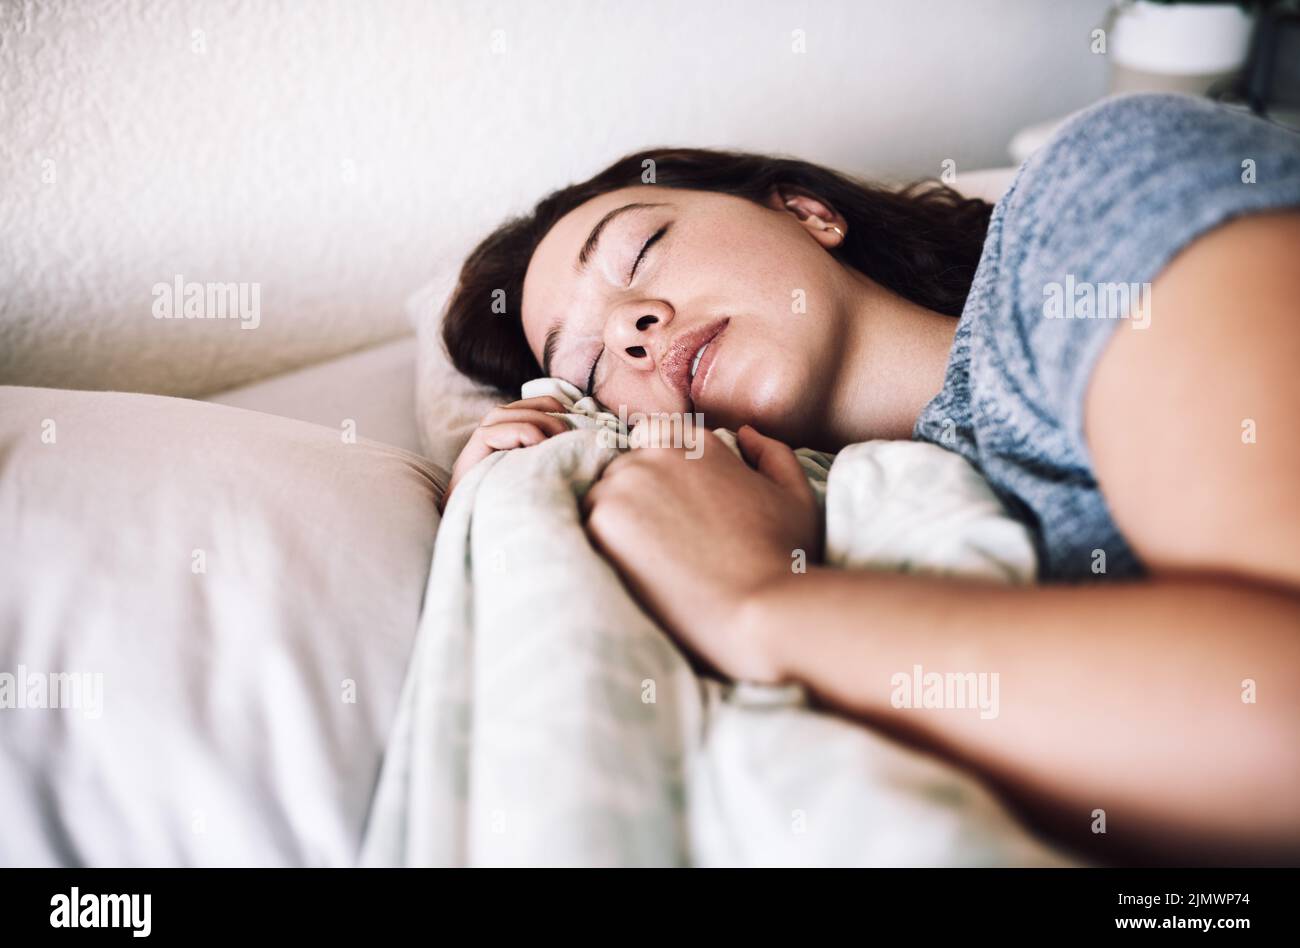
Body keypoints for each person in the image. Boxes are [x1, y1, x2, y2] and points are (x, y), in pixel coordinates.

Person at [441, 93, 1300, 864]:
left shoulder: (1091, 202)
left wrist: (759, 602)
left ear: (807, 212)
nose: (632, 328)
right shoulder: (828, 524)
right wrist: (514, 493)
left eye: (642, 250)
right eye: (591, 365)